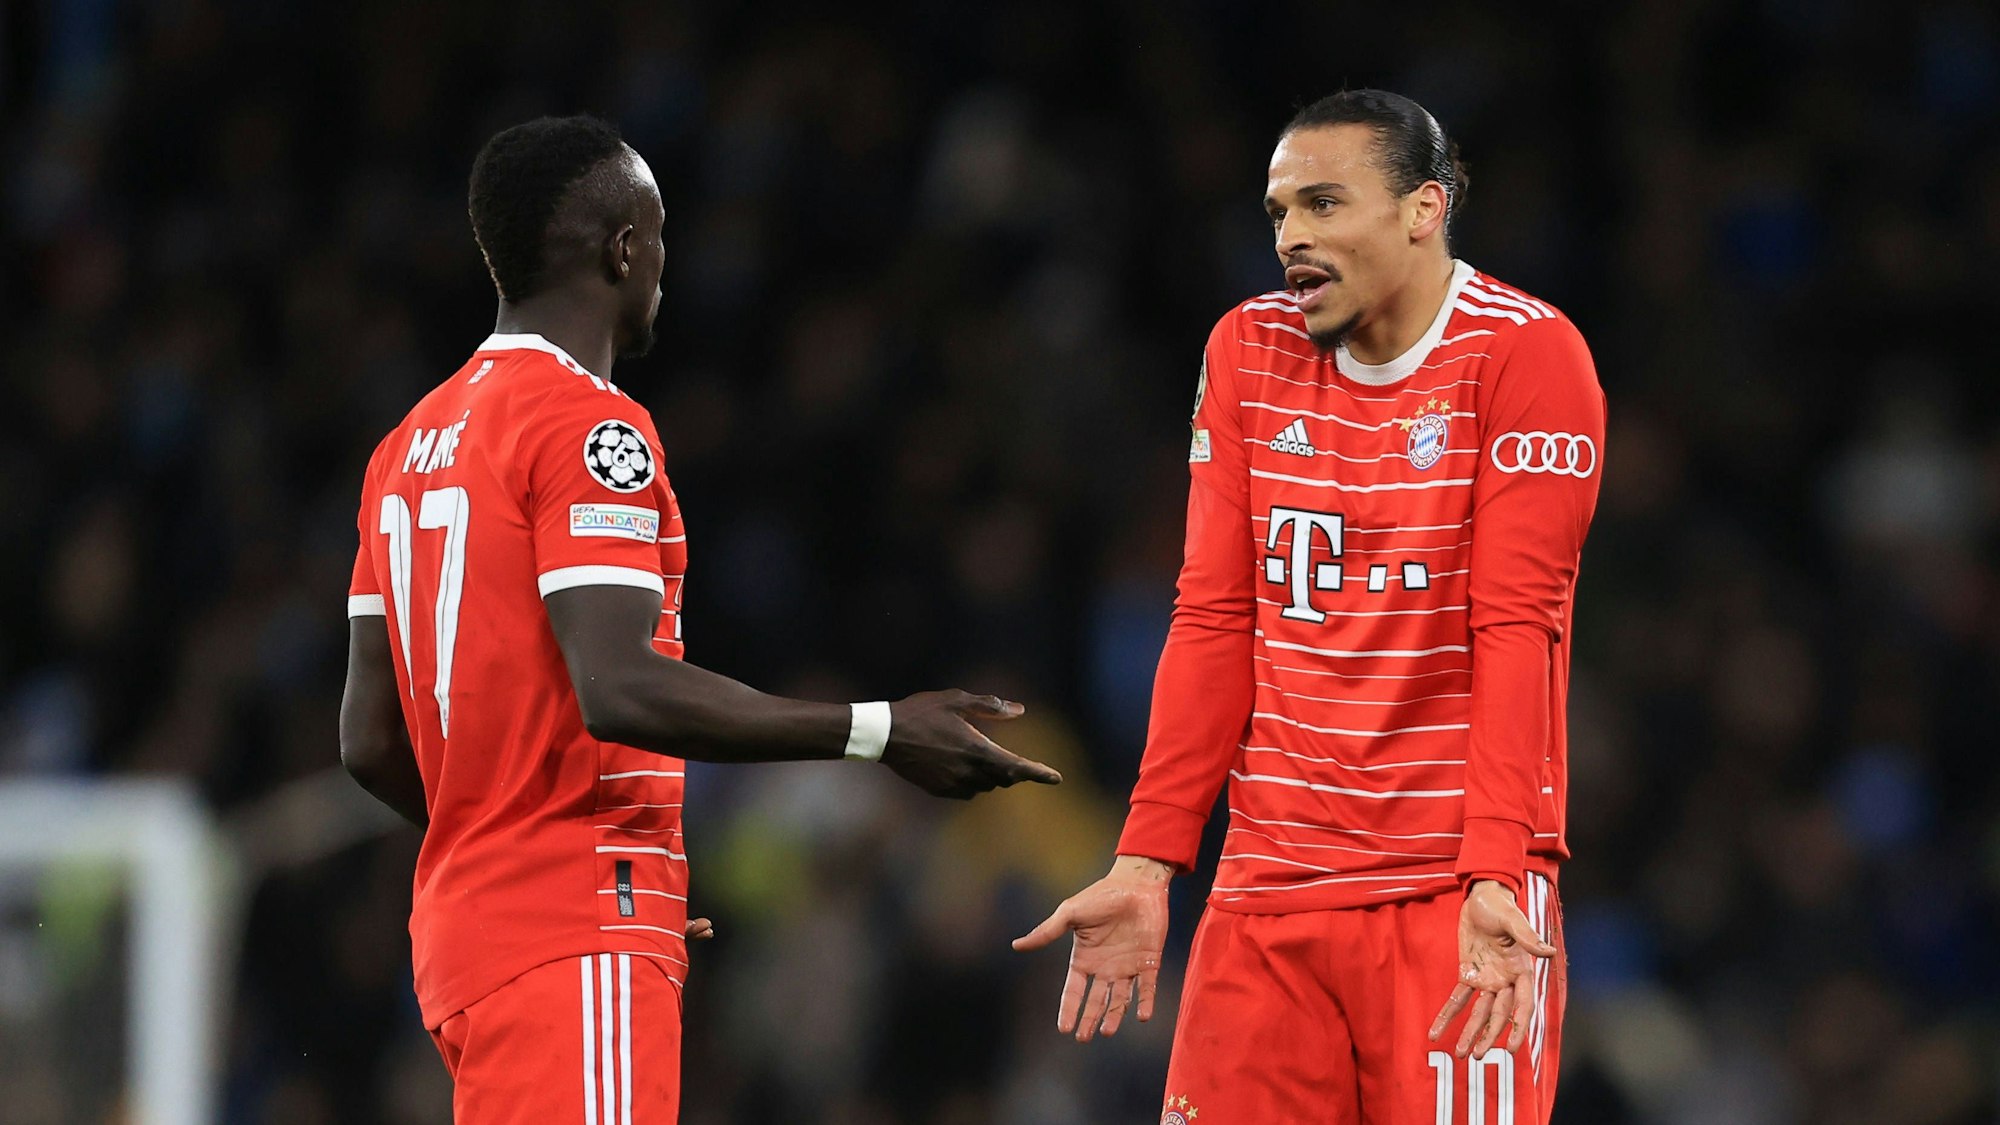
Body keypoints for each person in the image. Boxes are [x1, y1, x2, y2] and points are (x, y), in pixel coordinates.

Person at [338, 114, 1061, 1123]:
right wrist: (880, 730)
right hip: (566, 934)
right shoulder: (585, 424)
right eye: (660, 235)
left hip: (472, 947)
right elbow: (618, 686)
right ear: (622, 248)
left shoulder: (404, 448)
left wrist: (529, 854)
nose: (665, 265)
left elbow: (369, 740)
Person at [1015, 89, 1604, 1124]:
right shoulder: (1246, 349)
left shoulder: (1525, 354)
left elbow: (1517, 627)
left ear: (1422, 210)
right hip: (1265, 895)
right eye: (1279, 211)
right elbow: (1212, 617)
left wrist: (1495, 872)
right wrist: (1147, 862)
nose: (1290, 235)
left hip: (1446, 896)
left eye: (1323, 203)